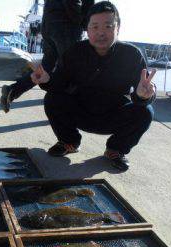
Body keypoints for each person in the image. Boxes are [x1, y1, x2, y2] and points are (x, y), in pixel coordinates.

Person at [31, 1, 156, 171]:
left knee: (145, 112)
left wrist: (144, 96)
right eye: (95, 27)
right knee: (52, 98)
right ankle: (69, 142)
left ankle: (116, 149)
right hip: (81, 111)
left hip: (114, 115)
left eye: (108, 26)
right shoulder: (74, 52)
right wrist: (47, 80)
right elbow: (59, 84)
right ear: (87, 29)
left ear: (118, 28)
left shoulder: (132, 55)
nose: (101, 33)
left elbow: (142, 90)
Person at [0, 0, 94, 113]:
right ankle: (67, 109)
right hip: (66, 24)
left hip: (49, 23)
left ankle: (13, 90)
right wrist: (83, 22)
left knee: (46, 67)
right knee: (72, 67)